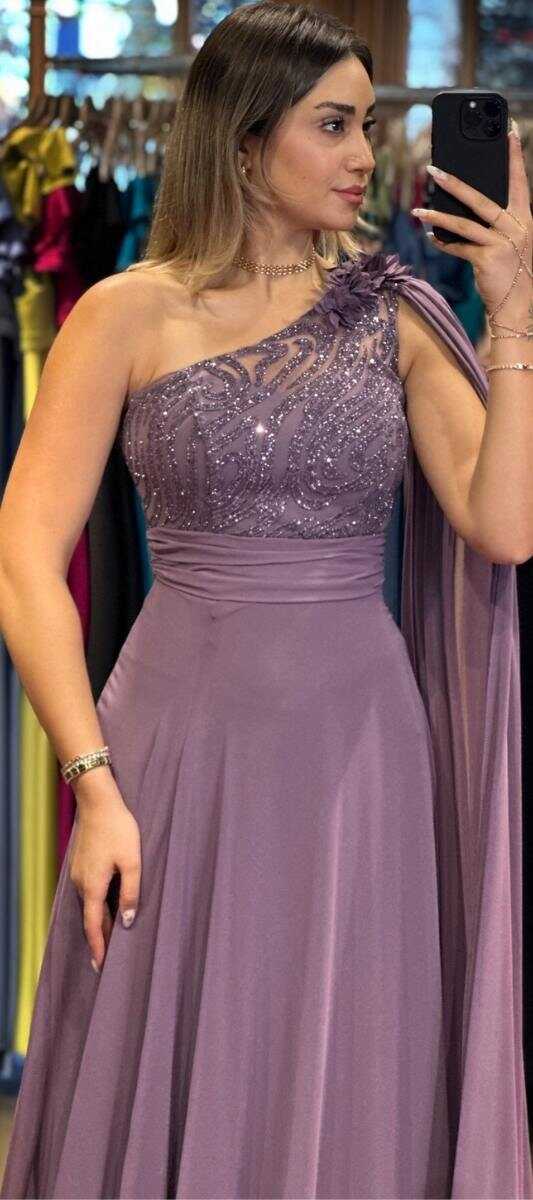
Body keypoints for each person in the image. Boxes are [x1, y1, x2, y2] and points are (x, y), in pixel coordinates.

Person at [0, 2, 532, 1195]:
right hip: (171, 751)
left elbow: (505, 526)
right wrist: (92, 785)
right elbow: (24, 557)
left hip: (358, 758)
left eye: (367, 127)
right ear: (244, 142)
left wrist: (510, 311)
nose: (363, 156)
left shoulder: (396, 315)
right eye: (332, 126)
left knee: (340, 1056)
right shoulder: (125, 311)